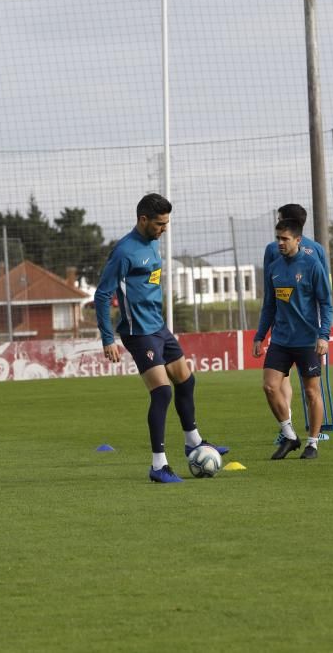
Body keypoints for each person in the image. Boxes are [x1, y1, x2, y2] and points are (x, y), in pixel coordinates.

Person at [95, 193, 228, 483]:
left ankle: (193, 442)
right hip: (138, 332)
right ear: (143, 220)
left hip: (159, 328)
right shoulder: (124, 252)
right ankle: (158, 466)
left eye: (166, 223)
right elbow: (102, 294)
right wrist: (108, 339)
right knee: (162, 392)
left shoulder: (153, 243)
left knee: (186, 379)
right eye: (159, 223)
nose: (164, 229)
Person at [252, 218, 333, 459]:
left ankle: (312, 444)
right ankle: (289, 435)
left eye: (285, 239)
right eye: (278, 238)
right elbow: (269, 306)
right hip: (280, 340)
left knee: (311, 392)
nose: (280, 243)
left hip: (307, 341)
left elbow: (326, 303)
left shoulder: (311, 265)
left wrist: (323, 335)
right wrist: (259, 336)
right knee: (269, 386)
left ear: (298, 240)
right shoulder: (274, 268)